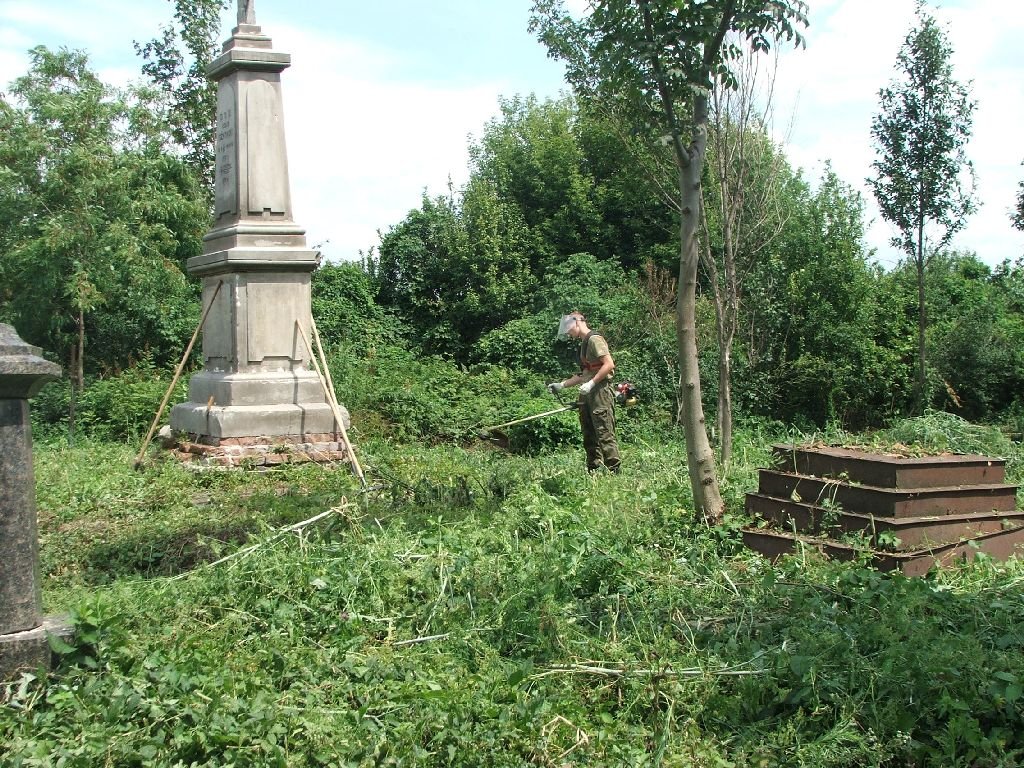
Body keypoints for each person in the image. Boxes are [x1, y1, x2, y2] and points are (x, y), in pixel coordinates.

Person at [547, 311, 621, 473]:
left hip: (600, 390)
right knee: (588, 431)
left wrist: (591, 384)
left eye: (569, 328)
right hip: (588, 392)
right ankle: (594, 468)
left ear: (578, 322)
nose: (568, 332)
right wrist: (561, 385)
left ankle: (614, 470)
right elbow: (585, 373)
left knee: (604, 430)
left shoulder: (594, 340)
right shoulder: (584, 344)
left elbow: (608, 364)